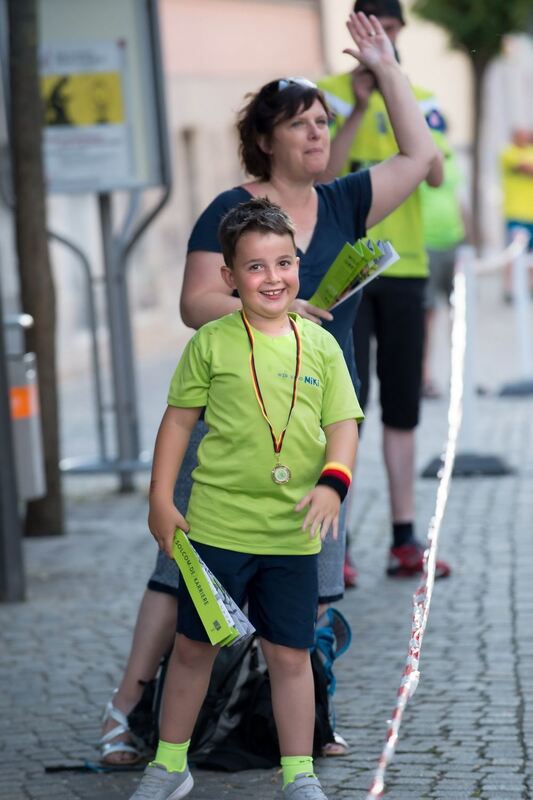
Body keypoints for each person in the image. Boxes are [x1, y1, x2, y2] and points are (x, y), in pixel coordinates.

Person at [101, 8, 439, 766]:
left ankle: (303, 719)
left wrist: (385, 69)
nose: (318, 134)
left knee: (311, 579)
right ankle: (125, 713)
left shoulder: (346, 201)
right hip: (231, 421)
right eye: (302, 124)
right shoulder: (234, 209)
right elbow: (194, 303)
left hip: (315, 424)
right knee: (178, 576)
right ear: (266, 139)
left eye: (323, 121)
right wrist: (279, 306)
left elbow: (418, 157)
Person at [130, 197, 362, 800]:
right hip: (216, 530)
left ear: (298, 266)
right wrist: (160, 498)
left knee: (291, 656)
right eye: (255, 268)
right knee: (191, 649)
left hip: (291, 535)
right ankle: (170, 766)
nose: (273, 278)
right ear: (230, 278)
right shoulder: (210, 342)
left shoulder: (321, 346)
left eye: (283, 263)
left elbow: (344, 427)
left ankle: (298, 774)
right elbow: (178, 423)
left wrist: (333, 483)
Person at [318, 0, 451, 579]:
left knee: (401, 406)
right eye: (371, 29)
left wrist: (395, 93)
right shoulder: (322, 93)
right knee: (345, 408)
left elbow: (436, 171)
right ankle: (334, 542)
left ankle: (403, 537)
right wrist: (358, 107)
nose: (382, 40)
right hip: (343, 273)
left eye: (391, 30)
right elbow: (325, 178)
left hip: (404, 270)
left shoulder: (422, 97)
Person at [420, 134, 468, 399]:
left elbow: (458, 200)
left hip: (454, 241)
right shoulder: (420, 154)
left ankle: (462, 374)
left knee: (459, 312)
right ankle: (425, 377)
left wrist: (467, 240)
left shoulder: (449, 156)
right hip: (426, 244)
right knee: (427, 315)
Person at [500, 128, 533, 302]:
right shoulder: (508, 153)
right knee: (514, 253)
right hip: (516, 213)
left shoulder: (529, 152)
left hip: (531, 214)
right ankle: (508, 290)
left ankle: (531, 288)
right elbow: (526, 168)